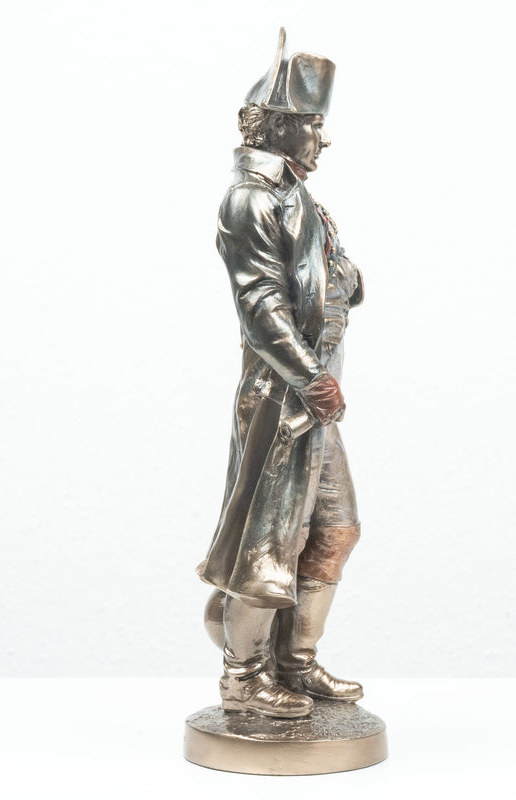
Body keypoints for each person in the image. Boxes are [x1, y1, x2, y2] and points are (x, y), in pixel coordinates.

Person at [197, 29, 365, 718]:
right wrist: (310, 377)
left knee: (335, 529)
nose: (323, 139)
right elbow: (262, 306)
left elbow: (331, 277)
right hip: (282, 397)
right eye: (313, 125)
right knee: (268, 541)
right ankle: (243, 676)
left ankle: (295, 663)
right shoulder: (251, 200)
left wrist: (343, 279)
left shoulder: (300, 198)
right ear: (280, 126)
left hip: (313, 400)